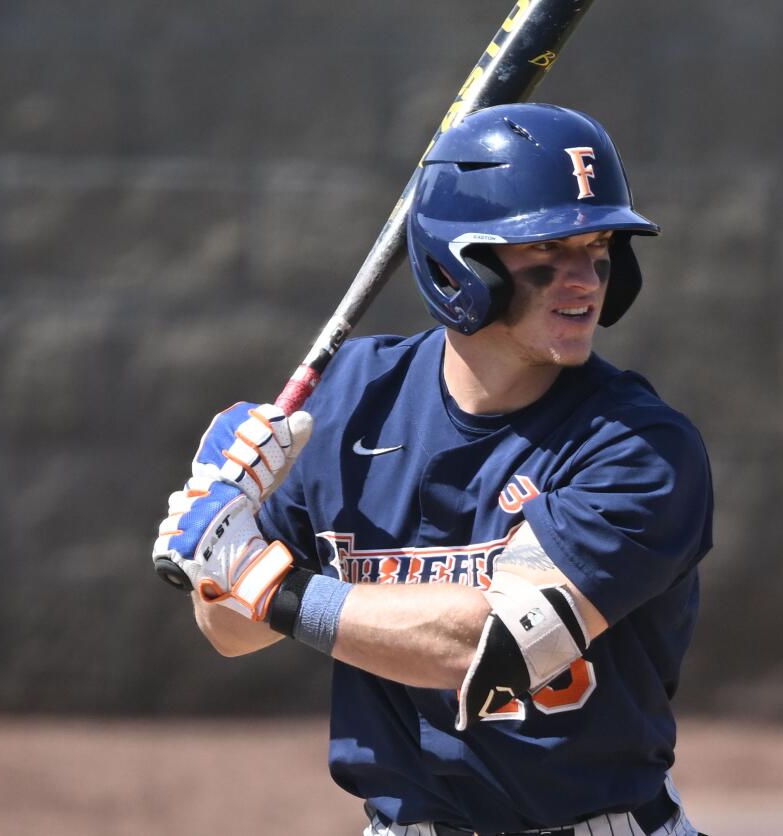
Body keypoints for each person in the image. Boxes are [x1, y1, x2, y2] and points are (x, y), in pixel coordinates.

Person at [153, 103, 713, 836]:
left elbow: (492, 645)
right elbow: (230, 631)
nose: (586, 280)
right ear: (461, 263)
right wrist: (218, 542)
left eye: (599, 245)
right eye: (547, 250)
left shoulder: (638, 447)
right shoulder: (351, 402)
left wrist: (268, 585)